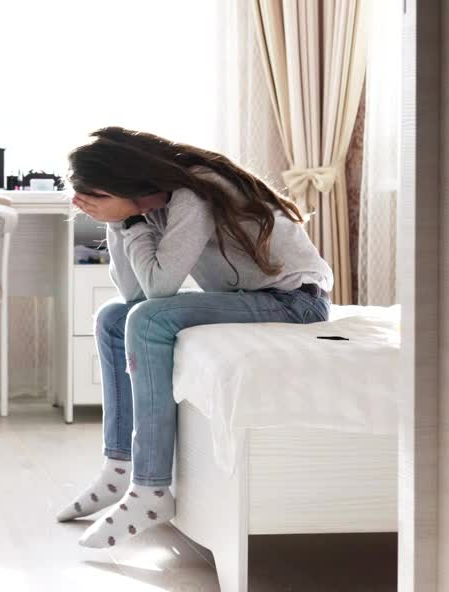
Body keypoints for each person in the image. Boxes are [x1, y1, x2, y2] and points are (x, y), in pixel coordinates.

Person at [58, 126, 333, 548]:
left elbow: (159, 292)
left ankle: (150, 490)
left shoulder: (195, 192)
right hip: (247, 297)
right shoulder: (153, 203)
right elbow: (133, 294)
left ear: (123, 182)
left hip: (295, 302)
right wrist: (120, 224)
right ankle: (119, 468)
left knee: (148, 320)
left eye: (99, 196)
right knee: (113, 317)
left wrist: (127, 219)